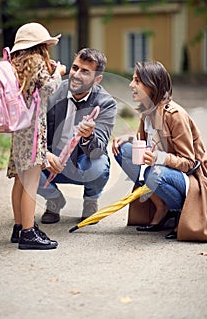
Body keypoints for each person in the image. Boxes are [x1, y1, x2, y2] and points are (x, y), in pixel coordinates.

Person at [112, 61, 206, 239]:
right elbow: (150, 142)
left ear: (152, 85)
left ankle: (180, 211)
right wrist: (131, 139)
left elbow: (189, 162)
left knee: (155, 172)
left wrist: (158, 158)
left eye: (137, 81)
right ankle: (161, 206)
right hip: (163, 168)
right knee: (123, 150)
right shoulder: (147, 112)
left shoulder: (175, 114)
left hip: (190, 178)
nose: (131, 85)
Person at [38, 48, 117, 223]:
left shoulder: (106, 103)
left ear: (97, 80)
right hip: (53, 158)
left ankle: (90, 201)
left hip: (81, 159)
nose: (76, 75)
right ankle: (54, 200)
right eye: (75, 68)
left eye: (85, 71)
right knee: (25, 165)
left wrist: (88, 136)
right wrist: (44, 154)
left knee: (99, 165)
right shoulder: (53, 90)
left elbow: (97, 150)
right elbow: (35, 133)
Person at [7, 22, 66, 250]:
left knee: (20, 181)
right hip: (33, 132)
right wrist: (58, 73)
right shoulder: (37, 61)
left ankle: (19, 226)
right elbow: (48, 89)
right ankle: (28, 234)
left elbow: (31, 90)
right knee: (31, 182)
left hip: (19, 128)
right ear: (41, 45)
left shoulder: (16, 63)